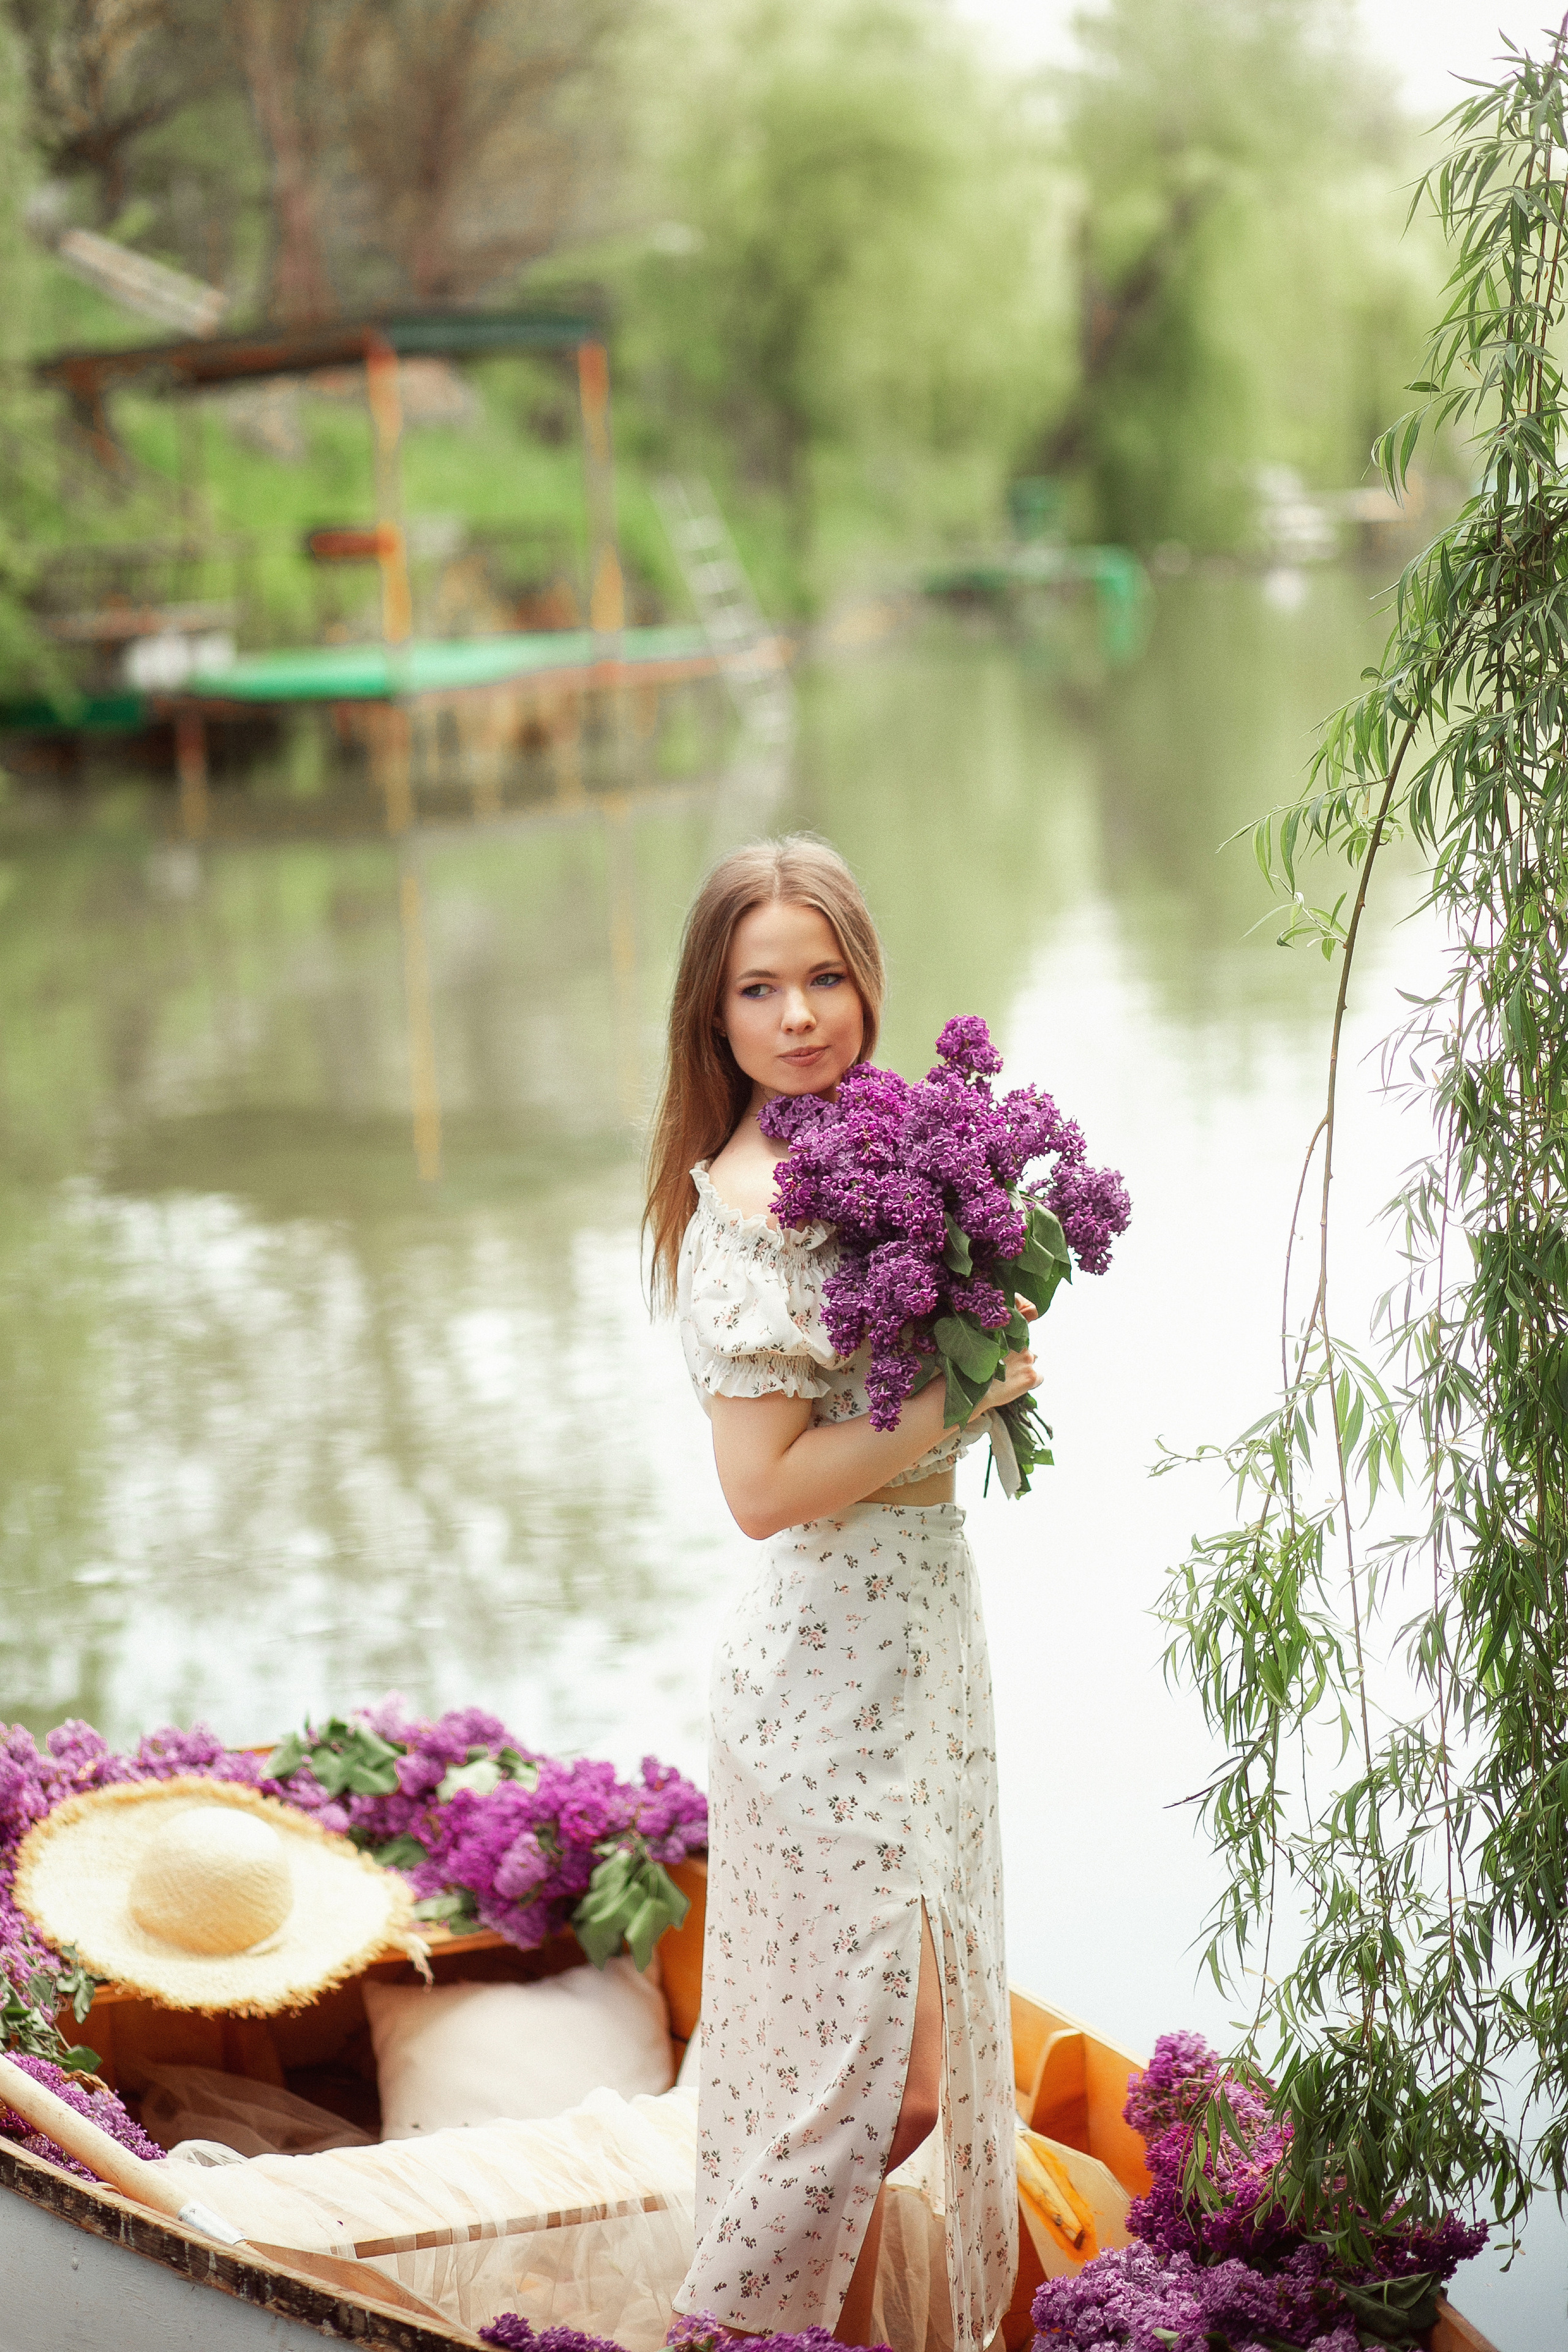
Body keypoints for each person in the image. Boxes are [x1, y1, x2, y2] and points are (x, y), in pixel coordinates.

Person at [645, 837, 1035, 2352]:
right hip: (815, 1692)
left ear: (866, 981)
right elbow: (760, 1494)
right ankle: (725, 2331)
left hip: (923, 1662)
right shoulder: (743, 1212)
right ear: (715, 1012)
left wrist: (972, 1342)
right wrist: (962, 1396)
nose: (797, 1016)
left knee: (888, 2081)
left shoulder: (881, 1156)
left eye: (822, 978)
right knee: (882, 2089)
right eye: (759, 987)